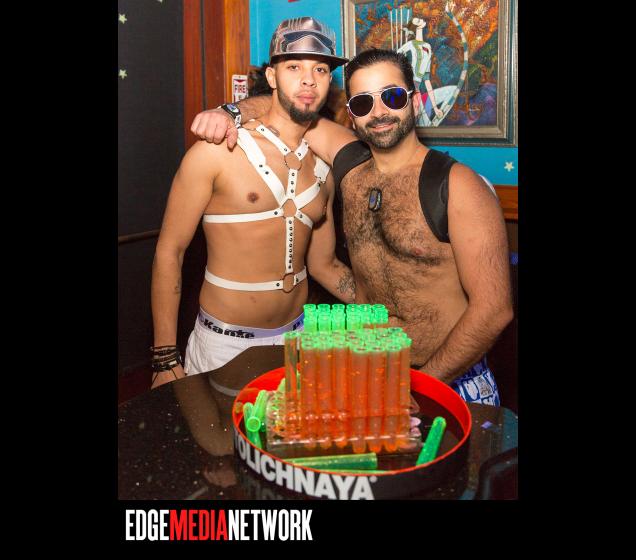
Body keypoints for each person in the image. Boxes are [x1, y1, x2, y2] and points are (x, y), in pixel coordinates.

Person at [189, 48, 513, 406]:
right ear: (352, 117)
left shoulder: (459, 186)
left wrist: (419, 385)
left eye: (392, 96)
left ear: (414, 101)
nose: (379, 112)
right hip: (374, 371)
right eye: (362, 103)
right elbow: (285, 108)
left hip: (450, 381)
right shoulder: (350, 167)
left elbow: (494, 310)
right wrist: (229, 112)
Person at [150, 17, 355, 390]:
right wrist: (165, 358)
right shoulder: (217, 152)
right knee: (216, 432)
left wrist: (384, 308)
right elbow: (170, 251)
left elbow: (323, 265)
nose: (309, 80)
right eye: (294, 67)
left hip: (298, 340)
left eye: (320, 69)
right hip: (224, 345)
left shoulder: (324, 167)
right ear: (272, 77)